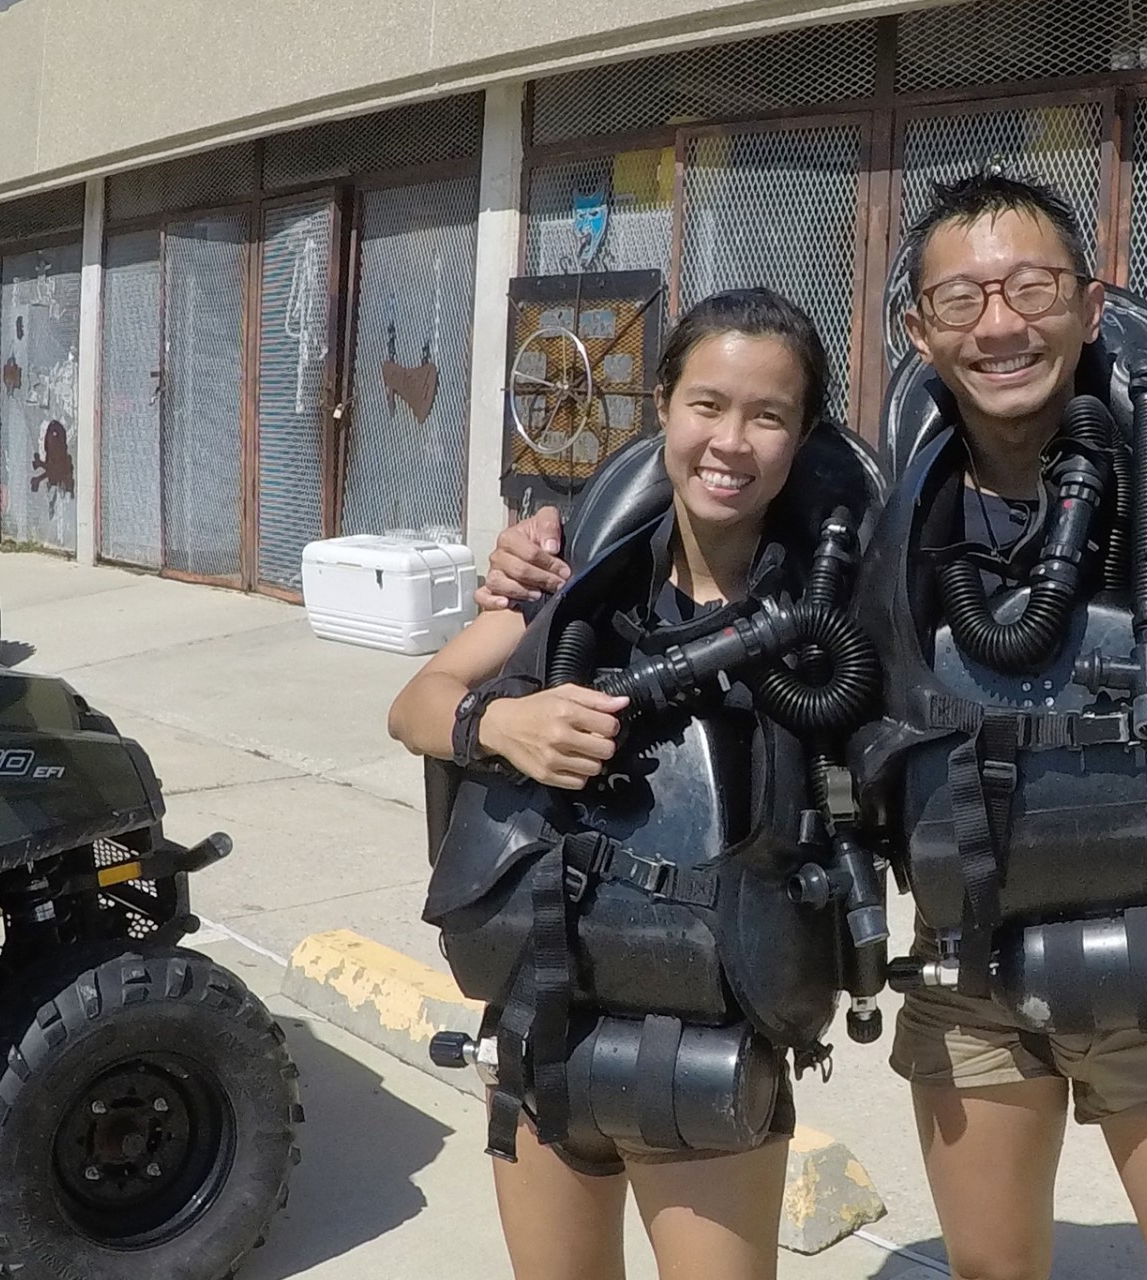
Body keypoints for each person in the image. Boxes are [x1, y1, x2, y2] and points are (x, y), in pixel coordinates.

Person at [482, 174, 1147, 1280]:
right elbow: (709, 508)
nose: (1000, 324)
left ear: (1090, 306)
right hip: (965, 979)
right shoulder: (872, 516)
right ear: (918, 330)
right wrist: (539, 553)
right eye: (962, 299)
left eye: (1032, 288)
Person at [391, 287, 863, 1280]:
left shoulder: (838, 611)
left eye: (768, 415)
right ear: (661, 407)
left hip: (711, 1043)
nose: (729, 441)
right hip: (542, 1023)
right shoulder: (570, 575)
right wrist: (503, 724)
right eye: (707, 404)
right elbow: (417, 704)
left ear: (804, 434)